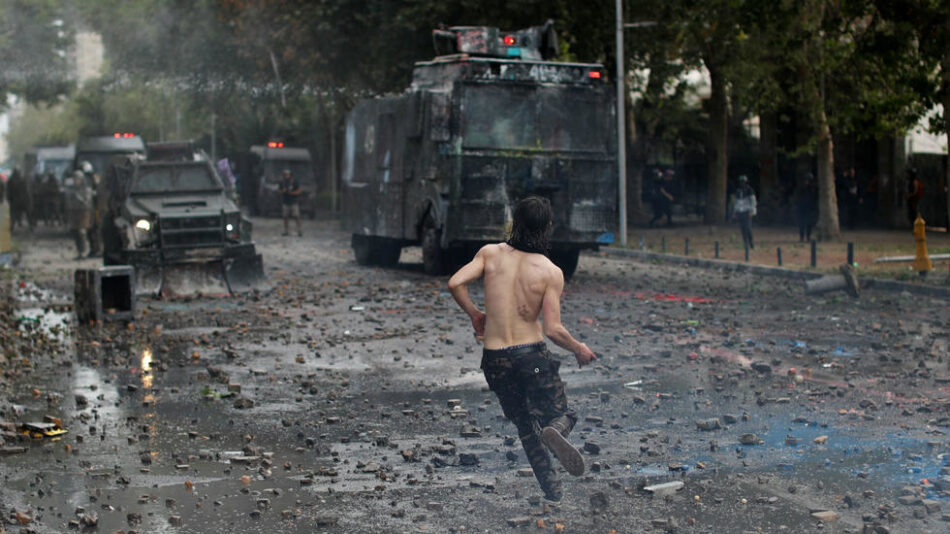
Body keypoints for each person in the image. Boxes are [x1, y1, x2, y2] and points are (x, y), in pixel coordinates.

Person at [447, 196, 597, 502]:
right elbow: (553, 329)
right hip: (532, 359)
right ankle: (556, 430)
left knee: (526, 427)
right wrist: (579, 348)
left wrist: (476, 314)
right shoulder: (550, 271)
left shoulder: (489, 253)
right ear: (547, 228)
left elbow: (454, 283)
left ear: (514, 222)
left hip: (495, 360)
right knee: (563, 413)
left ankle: (553, 493)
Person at [67, 170, 94, 259]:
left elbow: (87, 203)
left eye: (78, 179)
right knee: (75, 233)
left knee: (82, 233)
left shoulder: (86, 190)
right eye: (75, 179)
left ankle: (83, 252)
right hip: (74, 213)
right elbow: (68, 202)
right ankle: (79, 252)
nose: (76, 181)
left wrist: (79, 198)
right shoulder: (71, 190)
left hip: (83, 213)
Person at [732, 175, 757, 250]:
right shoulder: (738, 191)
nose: (742, 183)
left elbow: (753, 201)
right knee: (742, 228)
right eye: (741, 182)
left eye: (743, 182)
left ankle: (751, 243)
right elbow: (736, 202)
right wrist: (735, 212)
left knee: (748, 228)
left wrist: (752, 211)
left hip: (747, 211)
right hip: (740, 212)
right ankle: (745, 243)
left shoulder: (750, 190)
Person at [278, 169, 303, 236]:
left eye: (288, 174)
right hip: (286, 201)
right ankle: (286, 231)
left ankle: (299, 230)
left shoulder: (294, 181)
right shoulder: (282, 182)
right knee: (285, 216)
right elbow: (279, 191)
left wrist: (292, 193)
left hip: (294, 201)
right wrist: (283, 191)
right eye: (285, 174)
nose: (286, 176)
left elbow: (299, 190)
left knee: (296, 216)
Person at [794, 172, 818, 242]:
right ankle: (801, 237)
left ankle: (808, 237)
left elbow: (814, 197)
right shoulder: (801, 188)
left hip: (809, 208)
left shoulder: (812, 188)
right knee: (801, 224)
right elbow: (797, 197)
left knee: (809, 224)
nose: (806, 181)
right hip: (801, 207)